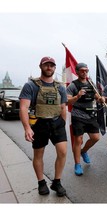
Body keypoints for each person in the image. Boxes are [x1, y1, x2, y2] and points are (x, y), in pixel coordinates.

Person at [19, 56, 68, 197]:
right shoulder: (31, 85)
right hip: (39, 123)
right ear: (41, 66)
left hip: (57, 122)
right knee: (39, 154)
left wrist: (62, 123)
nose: (49, 67)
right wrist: (27, 128)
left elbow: (63, 107)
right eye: (46, 65)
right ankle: (41, 182)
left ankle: (57, 182)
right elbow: (23, 107)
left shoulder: (60, 87)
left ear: (54, 68)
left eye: (52, 65)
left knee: (63, 152)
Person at [66, 63, 105, 176]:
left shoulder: (91, 84)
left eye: (86, 71)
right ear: (77, 72)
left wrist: (101, 99)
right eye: (82, 71)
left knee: (95, 137)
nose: (84, 73)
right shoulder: (73, 86)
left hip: (91, 114)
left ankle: (83, 151)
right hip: (78, 115)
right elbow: (68, 101)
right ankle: (77, 164)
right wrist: (77, 96)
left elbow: (97, 97)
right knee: (78, 140)